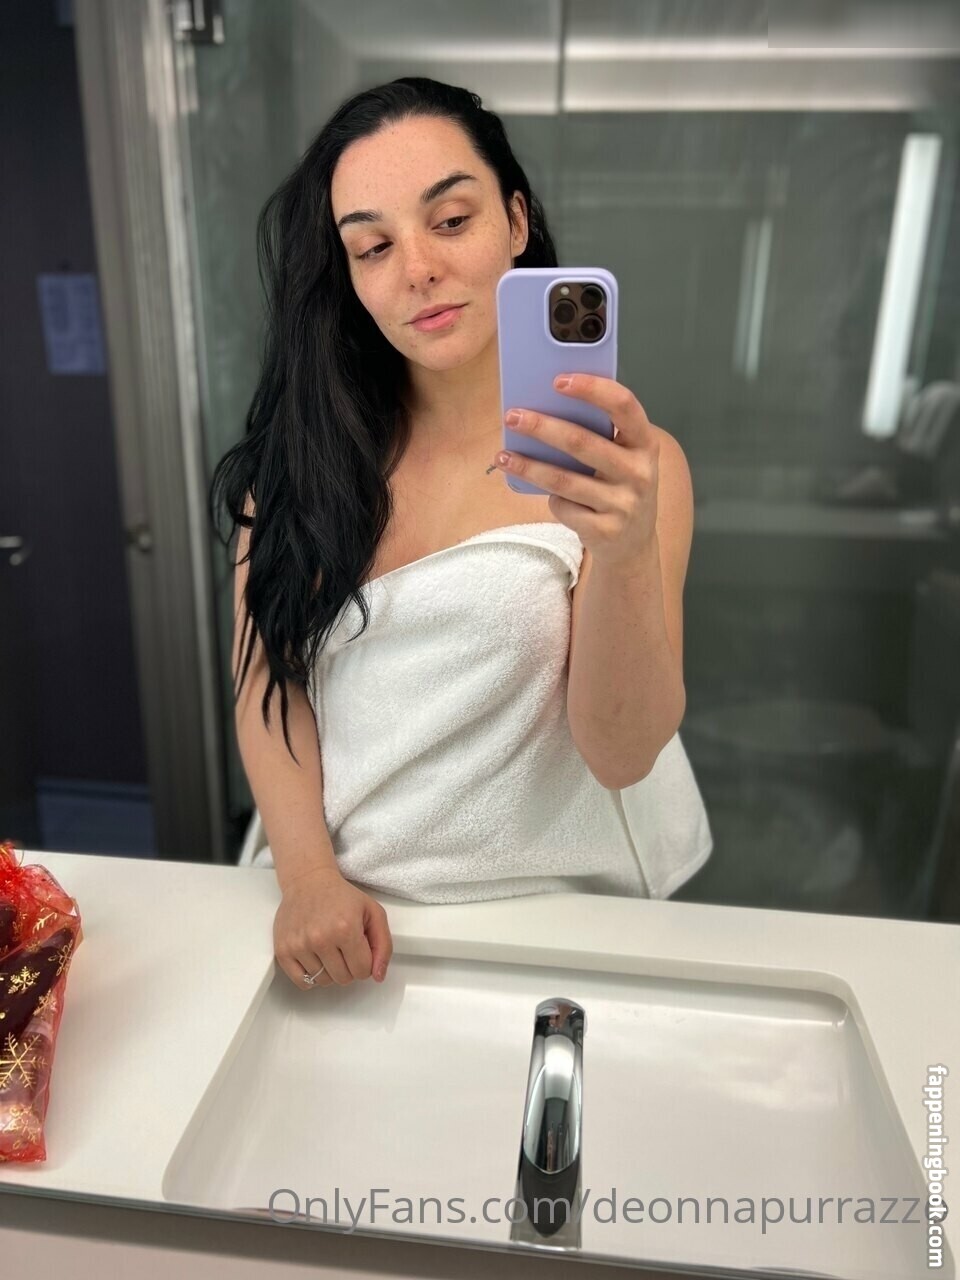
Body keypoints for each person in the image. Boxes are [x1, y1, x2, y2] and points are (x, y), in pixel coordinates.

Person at [209, 77, 712, 997]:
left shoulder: (631, 471)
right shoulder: (293, 470)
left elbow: (621, 752)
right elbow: (267, 686)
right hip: (350, 920)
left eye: (450, 221)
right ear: (349, 276)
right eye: (373, 246)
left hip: (565, 926)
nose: (417, 270)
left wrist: (622, 550)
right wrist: (309, 877)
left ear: (516, 220)